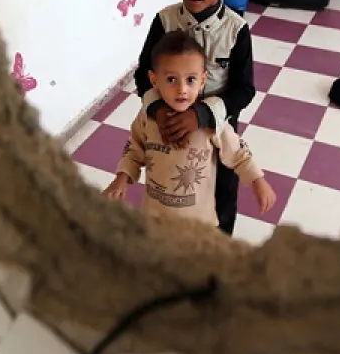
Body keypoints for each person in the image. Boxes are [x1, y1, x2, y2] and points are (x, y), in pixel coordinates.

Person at [130, 0, 259, 235]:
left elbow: (244, 90)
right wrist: (159, 112)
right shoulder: (165, 21)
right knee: (170, 189)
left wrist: (201, 115)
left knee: (221, 197)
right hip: (167, 127)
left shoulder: (237, 30)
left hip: (217, 131)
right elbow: (143, 75)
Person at [105, 30, 275, 226]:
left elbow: (239, 154)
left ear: (203, 80)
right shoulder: (147, 119)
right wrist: (121, 179)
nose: (182, 89)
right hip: (154, 219)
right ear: (154, 80)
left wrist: (258, 181)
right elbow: (134, 151)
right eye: (171, 79)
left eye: (190, 80)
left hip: (198, 225)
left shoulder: (212, 124)